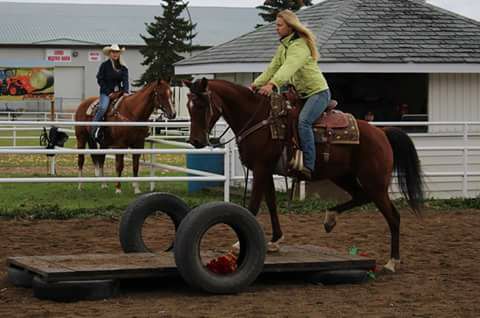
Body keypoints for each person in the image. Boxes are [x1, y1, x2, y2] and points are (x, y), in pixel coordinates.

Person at [250, 10, 330, 180]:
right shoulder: (283, 47)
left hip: (318, 93)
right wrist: (256, 84)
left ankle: (308, 166)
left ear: (290, 26)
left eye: (279, 25)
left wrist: (272, 84)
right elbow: (272, 68)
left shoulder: (299, 46)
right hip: (301, 95)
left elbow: (288, 68)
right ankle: (291, 158)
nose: (276, 29)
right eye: (276, 25)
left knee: (303, 122)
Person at [92, 44, 129, 142]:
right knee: (103, 108)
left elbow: (125, 80)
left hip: (119, 92)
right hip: (106, 92)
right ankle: (94, 128)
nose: (115, 54)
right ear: (110, 53)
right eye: (113, 52)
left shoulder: (123, 67)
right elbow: (100, 79)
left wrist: (126, 91)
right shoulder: (104, 65)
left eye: (117, 52)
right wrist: (108, 92)